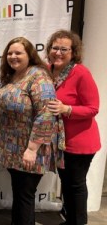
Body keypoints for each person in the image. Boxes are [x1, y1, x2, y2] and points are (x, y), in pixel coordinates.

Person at [0, 37, 60, 225]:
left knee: (24, 197)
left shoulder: (39, 76)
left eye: (18, 52)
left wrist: (31, 148)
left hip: (30, 150)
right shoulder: (11, 76)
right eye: (10, 53)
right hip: (12, 150)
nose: (13, 56)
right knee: (21, 194)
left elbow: (46, 114)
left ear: (29, 55)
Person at [46, 30, 101, 225]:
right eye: (55, 48)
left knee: (76, 185)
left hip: (80, 141)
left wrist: (66, 108)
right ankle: (70, 220)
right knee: (67, 184)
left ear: (73, 52)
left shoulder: (80, 72)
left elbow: (93, 108)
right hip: (60, 141)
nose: (58, 53)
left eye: (64, 49)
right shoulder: (48, 70)